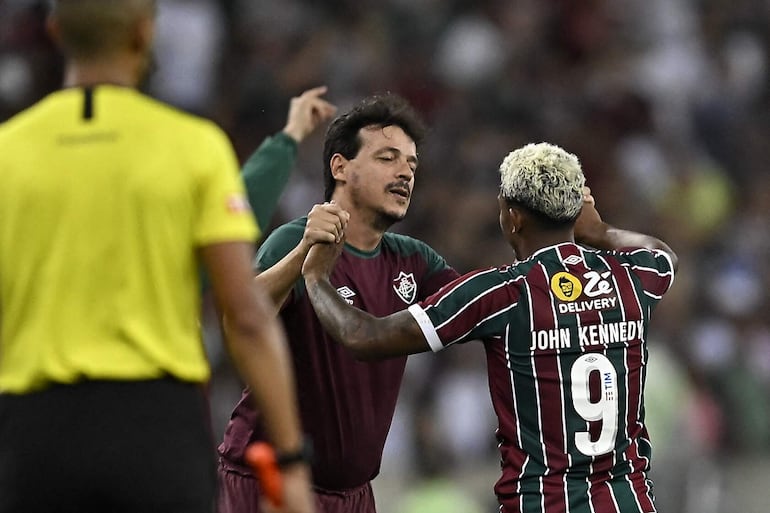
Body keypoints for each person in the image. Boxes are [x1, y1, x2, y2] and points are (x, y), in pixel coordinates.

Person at [0, 1, 314, 512]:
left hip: (34, 433)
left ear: (55, 33)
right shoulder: (194, 147)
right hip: (157, 428)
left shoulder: (6, 153)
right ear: (145, 34)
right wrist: (292, 461)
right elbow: (248, 316)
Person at [301, 142, 679, 513]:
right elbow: (663, 254)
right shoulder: (631, 279)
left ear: (513, 217)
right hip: (630, 501)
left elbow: (364, 337)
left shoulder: (503, 292)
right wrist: (599, 231)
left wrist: (316, 277)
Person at [217, 93, 460, 513]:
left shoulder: (414, 259)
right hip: (268, 483)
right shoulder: (292, 240)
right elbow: (242, 318)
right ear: (340, 167)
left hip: (355, 495)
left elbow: (481, 306)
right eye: (388, 158)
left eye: (412, 163)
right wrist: (303, 256)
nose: (405, 172)